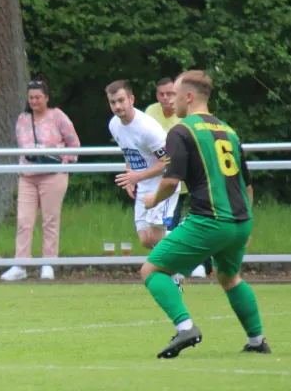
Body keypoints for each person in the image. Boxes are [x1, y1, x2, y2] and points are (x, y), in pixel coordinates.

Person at [141, 70, 270, 358]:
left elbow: (171, 180)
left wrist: (151, 200)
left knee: (152, 270)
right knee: (230, 277)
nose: (170, 100)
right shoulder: (229, 130)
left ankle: (185, 327)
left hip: (210, 220)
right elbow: (246, 186)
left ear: (189, 96)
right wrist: (245, 227)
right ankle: (257, 339)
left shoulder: (182, 130)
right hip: (240, 221)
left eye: (174, 94)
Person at [0, 79, 80, 281]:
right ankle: (21, 264)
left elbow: (74, 144)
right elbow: (22, 145)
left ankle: (48, 264)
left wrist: (62, 160)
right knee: (24, 221)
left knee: (50, 220)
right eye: (31, 98)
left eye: (38, 97)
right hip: (27, 176)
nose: (34, 101)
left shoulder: (58, 116)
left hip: (52, 175)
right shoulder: (23, 118)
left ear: (46, 97)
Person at [105, 80, 180, 256]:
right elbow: (128, 151)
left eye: (121, 100)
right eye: (113, 102)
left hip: (163, 184)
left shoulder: (148, 128)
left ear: (131, 99)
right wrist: (130, 176)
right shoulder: (114, 124)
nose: (117, 106)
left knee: (155, 236)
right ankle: (187, 242)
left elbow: (168, 162)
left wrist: (137, 177)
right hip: (143, 184)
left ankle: (179, 265)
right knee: (145, 240)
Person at [146, 77, 207, 279]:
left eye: (171, 93)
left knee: (192, 224)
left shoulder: (185, 119)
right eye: (162, 94)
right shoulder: (150, 114)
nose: (167, 98)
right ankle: (181, 267)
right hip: (163, 182)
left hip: (186, 181)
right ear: (157, 95)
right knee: (167, 228)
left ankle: (191, 264)